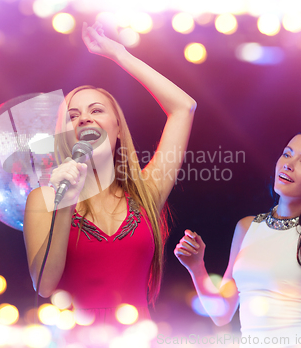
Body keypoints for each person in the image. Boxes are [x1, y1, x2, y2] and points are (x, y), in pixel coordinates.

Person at [23, 21, 197, 325]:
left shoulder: (145, 191)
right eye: (72, 116)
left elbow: (184, 107)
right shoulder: (44, 198)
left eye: (97, 110)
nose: (84, 119)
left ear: (118, 129)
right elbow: (45, 285)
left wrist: (120, 54)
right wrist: (67, 202)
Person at [175, 130, 301, 347]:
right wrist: (196, 267)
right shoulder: (247, 227)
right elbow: (222, 313)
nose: (288, 164)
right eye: (287, 154)